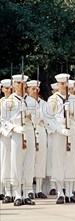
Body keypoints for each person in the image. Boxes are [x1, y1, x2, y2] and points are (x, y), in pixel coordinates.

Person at [44, 73, 75, 204]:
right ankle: (60, 192)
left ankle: (71, 192)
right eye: (61, 84)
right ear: (58, 85)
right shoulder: (52, 99)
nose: (64, 86)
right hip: (59, 132)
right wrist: (60, 130)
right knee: (59, 162)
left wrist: (72, 111)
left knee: (71, 161)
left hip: (71, 131)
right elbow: (48, 119)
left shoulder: (74, 99)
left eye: (66, 84)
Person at [1, 74, 37, 206]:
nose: (20, 86)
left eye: (22, 83)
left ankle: (27, 193)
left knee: (29, 162)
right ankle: (17, 194)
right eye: (17, 83)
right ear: (14, 85)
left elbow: (38, 119)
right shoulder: (7, 102)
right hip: (17, 133)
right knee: (16, 163)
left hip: (29, 131)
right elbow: (3, 120)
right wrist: (14, 128)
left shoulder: (32, 101)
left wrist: (29, 113)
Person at [26, 79, 49, 198]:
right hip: (29, 131)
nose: (35, 91)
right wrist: (35, 117)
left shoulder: (44, 103)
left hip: (40, 131)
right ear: (28, 90)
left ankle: (39, 189)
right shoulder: (26, 102)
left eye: (37, 89)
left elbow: (44, 117)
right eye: (33, 89)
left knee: (40, 161)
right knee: (29, 161)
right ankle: (29, 189)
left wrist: (33, 116)